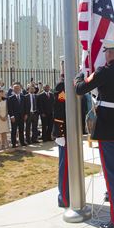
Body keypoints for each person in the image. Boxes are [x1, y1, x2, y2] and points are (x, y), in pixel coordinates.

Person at [75, 39, 114, 228]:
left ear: (110, 53)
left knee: (112, 174)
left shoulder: (103, 72)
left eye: (105, 50)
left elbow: (80, 89)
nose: (104, 53)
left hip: (108, 127)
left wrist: (78, 78)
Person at [53, 72, 68, 208]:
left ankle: (70, 194)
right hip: (64, 133)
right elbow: (58, 111)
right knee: (64, 166)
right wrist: (60, 133)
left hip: (71, 132)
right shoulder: (61, 86)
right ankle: (63, 197)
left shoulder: (71, 85)